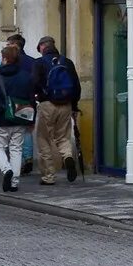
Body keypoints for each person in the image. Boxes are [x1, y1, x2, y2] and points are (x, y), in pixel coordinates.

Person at [0, 36, 41, 193]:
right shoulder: (26, 76)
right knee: (17, 149)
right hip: (20, 117)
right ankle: (15, 182)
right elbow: (31, 99)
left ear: (4, 59)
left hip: (0, 118)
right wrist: (32, 120)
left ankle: (6, 169)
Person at [34, 36, 83, 186]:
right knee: (63, 137)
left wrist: (39, 97)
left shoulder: (39, 63)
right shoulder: (67, 62)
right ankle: (68, 157)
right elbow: (76, 86)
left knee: (44, 139)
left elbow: (34, 83)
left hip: (47, 104)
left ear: (42, 47)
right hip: (66, 104)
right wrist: (74, 106)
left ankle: (49, 176)